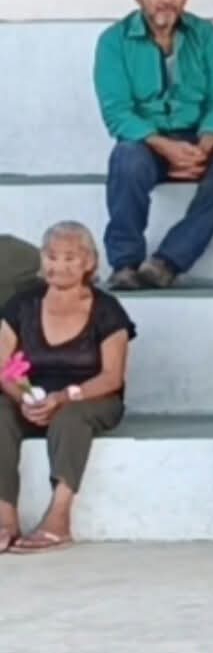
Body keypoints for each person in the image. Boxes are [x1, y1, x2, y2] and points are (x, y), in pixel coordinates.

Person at [93, 0, 213, 290]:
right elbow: (117, 112)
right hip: (148, 141)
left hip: (198, 138)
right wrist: (165, 147)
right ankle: (125, 264)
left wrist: (205, 145)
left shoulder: (206, 34)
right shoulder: (114, 41)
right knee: (126, 159)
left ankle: (168, 261)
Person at [0, 222, 132, 552]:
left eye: (70, 258)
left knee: (71, 417)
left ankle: (58, 518)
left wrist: (63, 397)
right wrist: (24, 398)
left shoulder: (107, 310)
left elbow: (112, 377)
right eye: (52, 256)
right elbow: (3, 364)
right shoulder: (21, 305)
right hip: (34, 396)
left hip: (89, 396)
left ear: (89, 262)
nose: (58, 265)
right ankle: (4, 516)